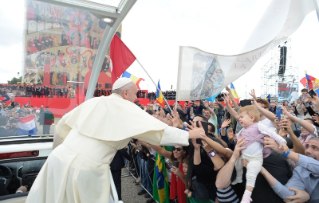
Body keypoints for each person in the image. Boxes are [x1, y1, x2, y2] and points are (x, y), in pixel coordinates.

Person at [26, 78, 204, 203]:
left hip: (58, 158)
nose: (136, 99)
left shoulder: (94, 101)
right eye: (135, 94)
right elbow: (160, 132)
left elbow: (62, 125)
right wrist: (188, 135)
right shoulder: (126, 107)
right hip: (85, 169)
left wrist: (58, 150)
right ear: (125, 93)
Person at [231, 105, 288, 203]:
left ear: (252, 118)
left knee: (251, 175)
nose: (239, 119)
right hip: (243, 156)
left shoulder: (259, 126)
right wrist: (236, 137)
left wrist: (282, 142)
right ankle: (239, 178)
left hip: (255, 158)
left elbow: (273, 134)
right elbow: (239, 135)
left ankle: (247, 196)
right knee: (237, 165)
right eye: (239, 117)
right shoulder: (243, 129)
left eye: (241, 117)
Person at [261, 136, 319, 203]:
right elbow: (289, 197)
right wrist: (263, 170)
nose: (308, 151)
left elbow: (315, 166)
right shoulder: (300, 170)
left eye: (315, 148)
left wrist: (285, 152)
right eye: (307, 147)